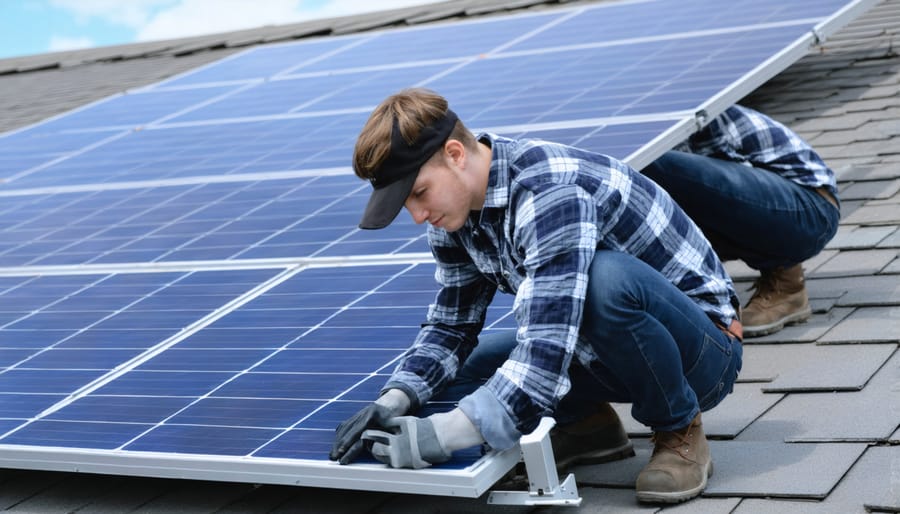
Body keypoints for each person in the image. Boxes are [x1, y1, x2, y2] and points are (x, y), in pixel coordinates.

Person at [328, 88, 743, 504]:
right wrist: (397, 397)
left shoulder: (549, 191)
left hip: (702, 352)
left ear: (455, 154)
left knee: (606, 283)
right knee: (467, 366)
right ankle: (588, 427)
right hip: (603, 352)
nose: (417, 216)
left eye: (418, 193)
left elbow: (546, 345)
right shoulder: (453, 217)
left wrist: (444, 433)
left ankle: (678, 428)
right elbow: (452, 327)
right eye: (406, 205)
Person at [642, 105, 840, 337]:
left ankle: (787, 281)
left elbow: (724, 192)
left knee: (652, 163)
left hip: (811, 206)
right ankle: (787, 287)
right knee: (651, 203)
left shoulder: (676, 112)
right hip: (775, 208)